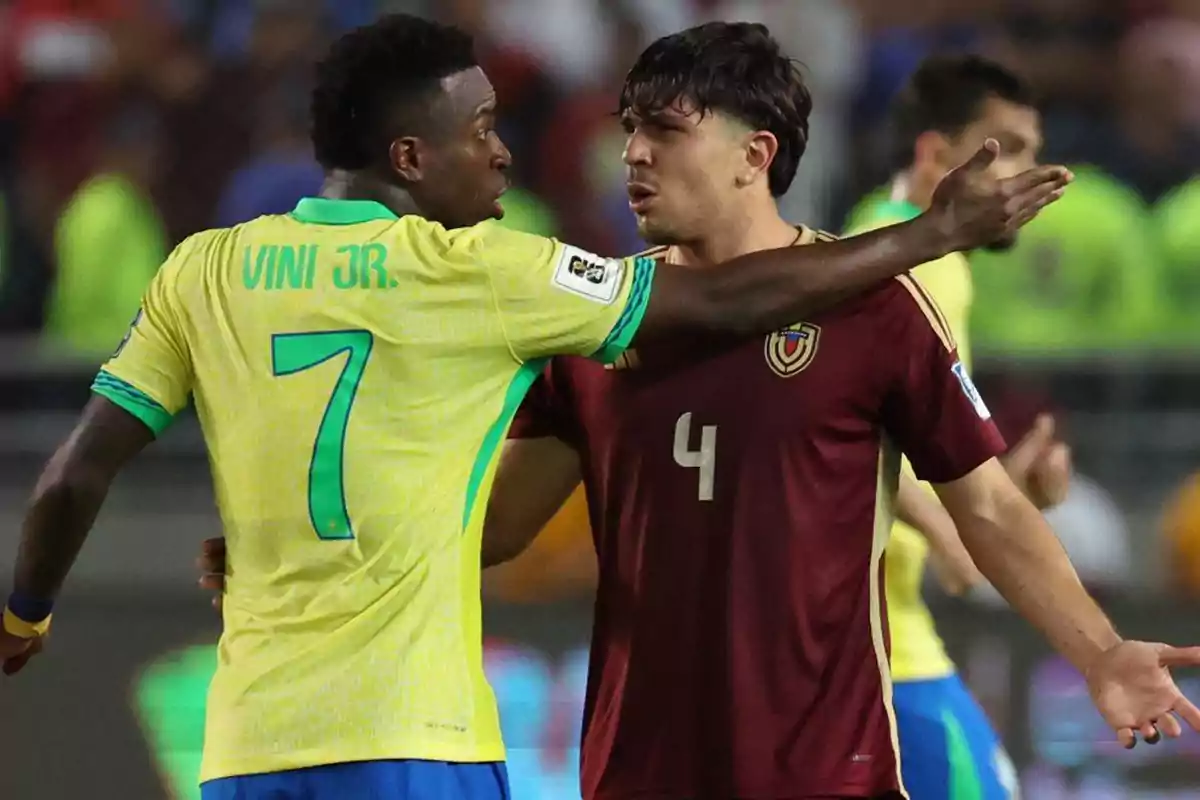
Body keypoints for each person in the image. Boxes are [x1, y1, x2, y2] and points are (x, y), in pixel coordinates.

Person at [0, 13, 1066, 800]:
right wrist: (932, 235)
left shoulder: (206, 268)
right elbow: (725, 296)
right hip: (419, 739)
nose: (504, 153)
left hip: (242, 745)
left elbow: (75, 471)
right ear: (412, 157)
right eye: (481, 131)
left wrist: (23, 612)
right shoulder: (476, 272)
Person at [843, 55, 1068, 799]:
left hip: (884, 629)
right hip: (873, 646)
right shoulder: (910, 263)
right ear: (939, 155)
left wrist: (1008, 496)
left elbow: (905, 444)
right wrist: (953, 532)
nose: (1032, 174)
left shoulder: (888, 241)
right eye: (1013, 149)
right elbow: (846, 420)